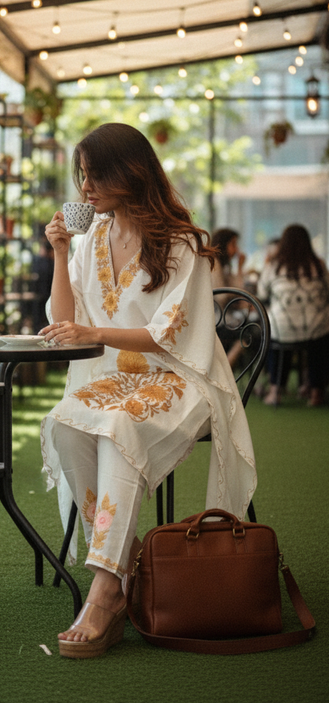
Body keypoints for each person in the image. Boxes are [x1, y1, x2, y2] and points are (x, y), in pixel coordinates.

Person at [39, 123, 257, 658]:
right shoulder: (90, 240)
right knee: (64, 421)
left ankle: (106, 591)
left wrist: (95, 334)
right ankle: (128, 560)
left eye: (94, 175)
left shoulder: (181, 242)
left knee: (116, 424)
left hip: (184, 378)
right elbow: (63, 320)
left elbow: (170, 338)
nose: (84, 187)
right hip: (116, 381)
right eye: (82, 176)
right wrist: (60, 254)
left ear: (129, 173)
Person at [257, 224, 329, 407]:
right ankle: (316, 393)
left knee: (278, 338)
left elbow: (261, 295)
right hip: (316, 328)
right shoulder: (318, 265)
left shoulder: (273, 266)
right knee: (319, 344)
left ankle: (275, 392)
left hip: (282, 328)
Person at [210, 228, 248, 365]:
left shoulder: (223, 265)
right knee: (248, 335)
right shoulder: (214, 263)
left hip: (221, 317)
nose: (236, 249)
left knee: (249, 329)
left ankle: (225, 370)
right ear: (223, 244)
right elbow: (221, 296)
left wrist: (239, 268)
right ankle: (226, 373)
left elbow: (238, 291)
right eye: (233, 244)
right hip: (215, 320)